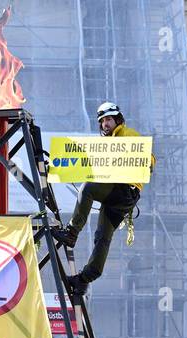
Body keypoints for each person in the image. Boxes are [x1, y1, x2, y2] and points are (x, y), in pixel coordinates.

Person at [52, 102, 155, 296]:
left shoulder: (127, 134)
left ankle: (72, 233)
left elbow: (148, 158)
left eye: (108, 119)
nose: (105, 124)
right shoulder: (105, 144)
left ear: (117, 120)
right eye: (102, 121)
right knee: (103, 237)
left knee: (88, 189)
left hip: (124, 190)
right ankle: (84, 280)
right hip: (118, 197)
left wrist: (147, 163)